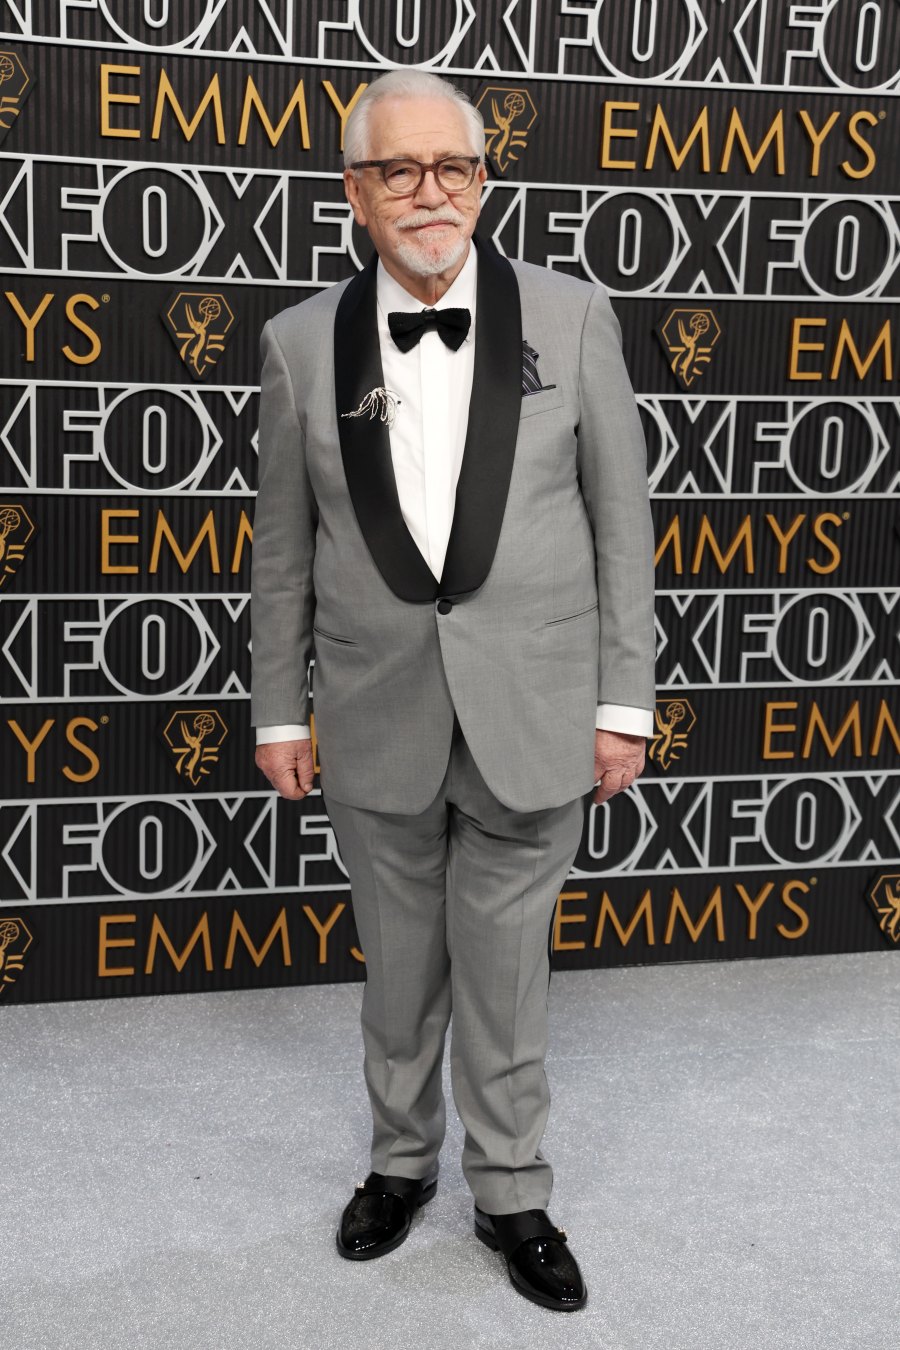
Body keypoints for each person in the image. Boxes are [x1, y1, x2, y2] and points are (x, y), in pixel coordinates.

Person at [251, 69, 655, 1313]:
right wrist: (279, 708)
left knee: (507, 965)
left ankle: (513, 1187)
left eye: (454, 169)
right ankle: (398, 1163)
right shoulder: (296, 341)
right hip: (373, 710)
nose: (430, 195)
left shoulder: (576, 319)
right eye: (397, 171)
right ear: (353, 193)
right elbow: (281, 548)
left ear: (482, 180)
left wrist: (622, 704)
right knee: (399, 965)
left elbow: (618, 528)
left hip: (536, 707)